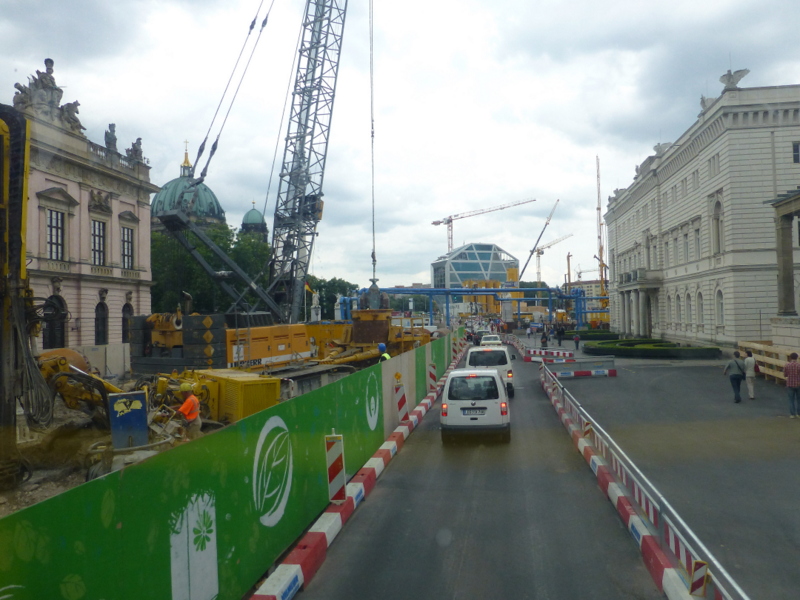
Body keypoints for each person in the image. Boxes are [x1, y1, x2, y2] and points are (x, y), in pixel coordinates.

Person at [784, 352, 800, 418]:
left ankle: (792, 414)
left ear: (790, 357)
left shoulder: (787, 365)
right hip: (798, 384)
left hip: (790, 383)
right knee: (799, 399)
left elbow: (785, 375)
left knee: (791, 399)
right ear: (797, 357)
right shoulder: (799, 365)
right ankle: (799, 413)